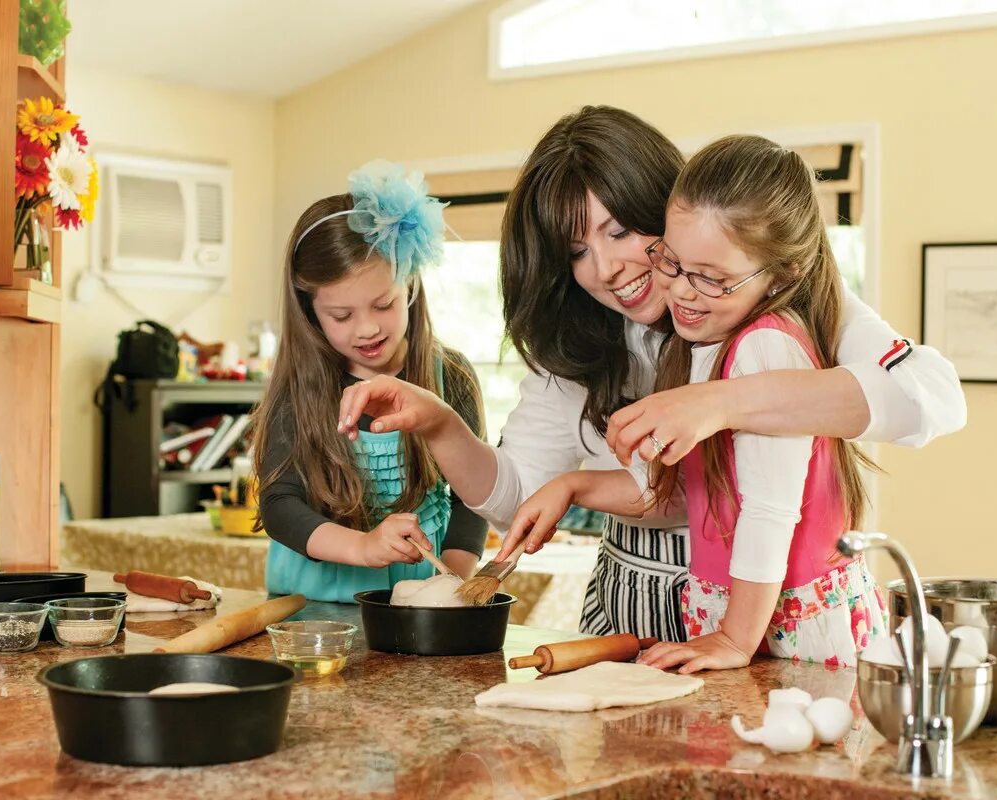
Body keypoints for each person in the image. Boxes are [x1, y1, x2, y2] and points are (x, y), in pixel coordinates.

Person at [337, 106, 965, 639]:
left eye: (621, 230)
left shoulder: (775, 300)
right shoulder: (576, 338)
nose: (606, 268)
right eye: (578, 250)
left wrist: (719, 402)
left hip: (755, 614)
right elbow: (521, 505)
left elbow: (930, 399)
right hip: (623, 605)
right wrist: (441, 424)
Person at [509, 135, 886, 673]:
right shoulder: (706, 342)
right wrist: (571, 486)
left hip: (786, 633)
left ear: (782, 274)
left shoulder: (764, 346)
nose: (683, 292)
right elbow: (678, 486)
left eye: (710, 277)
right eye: (672, 262)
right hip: (747, 621)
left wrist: (733, 638)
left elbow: (769, 511)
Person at [253, 161, 486, 603]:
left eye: (383, 305)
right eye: (341, 316)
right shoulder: (298, 387)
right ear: (310, 313)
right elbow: (280, 506)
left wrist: (449, 586)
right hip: (310, 608)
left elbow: (471, 499)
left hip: (418, 601)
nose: (367, 329)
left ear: (410, 286)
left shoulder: (449, 375)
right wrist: (362, 546)